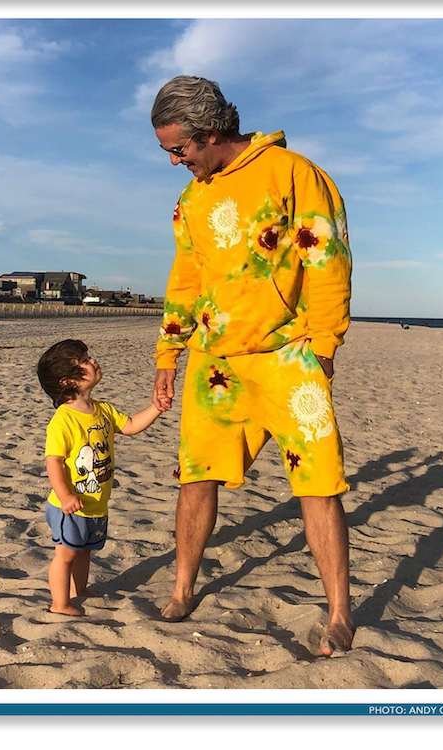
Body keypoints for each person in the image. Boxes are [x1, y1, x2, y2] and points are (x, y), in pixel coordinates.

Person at [150, 76, 353, 656]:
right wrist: (169, 350)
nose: (174, 161)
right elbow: (186, 276)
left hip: (290, 358)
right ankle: (184, 588)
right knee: (196, 478)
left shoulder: (293, 173)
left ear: (211, 132)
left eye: (179, 149)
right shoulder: (192, 199)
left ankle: (339, 612)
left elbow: (328, 257)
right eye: (166, 150)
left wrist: (325, 344)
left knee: (318, 486)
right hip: (215, 362)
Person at [37, 339, 161, 616]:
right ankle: (60, 604)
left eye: (88, 356)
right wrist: (66, 495)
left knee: (84, 551)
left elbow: (129, 426)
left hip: (95, 503)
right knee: (65, 554)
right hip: (68, 505)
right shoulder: (64, 420)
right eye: (83, 361)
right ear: (68, 381)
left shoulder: (102, 410)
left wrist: (156, 408)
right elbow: (53, 461)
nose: (92, 361)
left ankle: (78, 591)